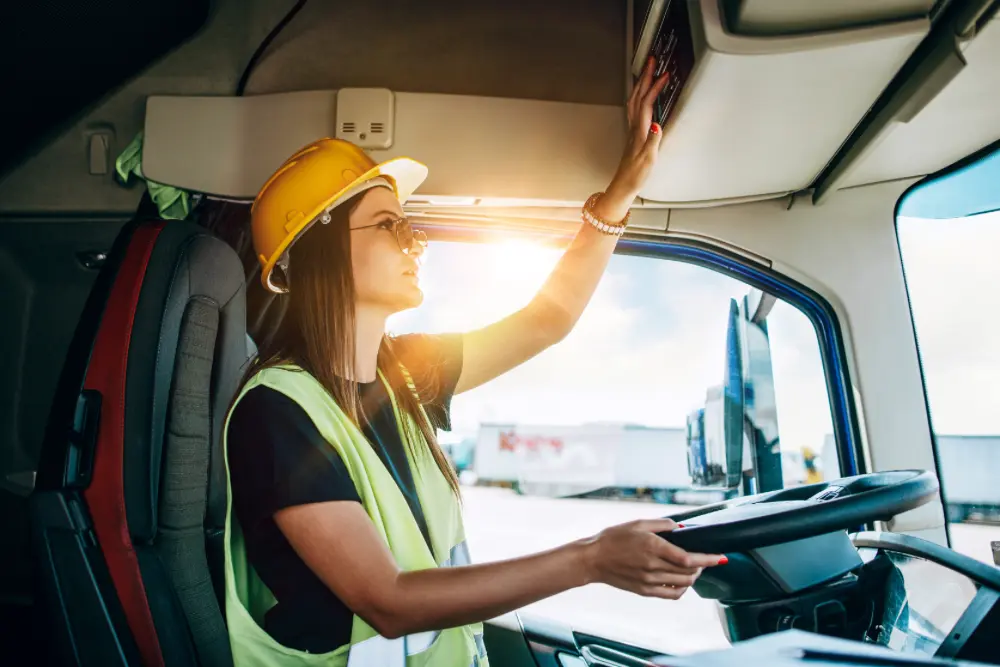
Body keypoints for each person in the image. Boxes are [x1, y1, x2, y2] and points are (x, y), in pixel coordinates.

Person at [223, 58, 726, 667]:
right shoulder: (276, 411)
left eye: (410, 227)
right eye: (388, 226)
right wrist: (590, 558)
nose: (414, 242)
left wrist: (618, 194)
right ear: (320, 253)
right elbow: (389, 601)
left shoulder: (405, 372)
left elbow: (548, 319)